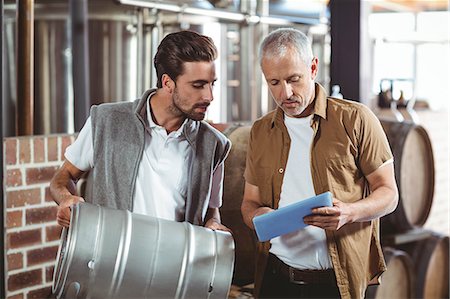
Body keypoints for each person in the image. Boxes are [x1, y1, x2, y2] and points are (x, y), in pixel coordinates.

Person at [241, 28, 399, 299]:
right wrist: (257, 217)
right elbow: (249, 203)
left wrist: (350, 212)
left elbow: (389, 194)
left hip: (334, 284)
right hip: (275, 278)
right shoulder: (260, 131)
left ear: (313, 67)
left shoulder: (356, 120)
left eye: (294, 79)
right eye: (274, 82)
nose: (285, 93)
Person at [50, 30, 231, 232]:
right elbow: (63, 176)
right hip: (116, 258)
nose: (209, 96)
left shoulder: (214, 144)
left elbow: (210, 208)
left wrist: (213, 223)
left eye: (211, 84)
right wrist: (66, 199)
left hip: (176, 261)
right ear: (167, 82)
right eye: (198, 85)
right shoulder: (107, 120)